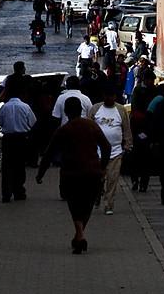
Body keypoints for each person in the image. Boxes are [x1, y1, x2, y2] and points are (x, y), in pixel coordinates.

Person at [38, 96, 113, 255]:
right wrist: (102, 166)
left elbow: (49, 153)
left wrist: (40, 174)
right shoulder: (91, 125)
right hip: (92, 173)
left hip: (71, 174)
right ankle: (79, 235)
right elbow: (106, 146)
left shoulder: (64, 130)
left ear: (66, 111)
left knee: (74, 205)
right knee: (87, 205)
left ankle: (79, 234)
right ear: (81, 110)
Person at [92, 86, 132, 215]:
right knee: (98, 178)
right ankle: (97, 194)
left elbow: (126, 128)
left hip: (115, 152)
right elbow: (89, 126)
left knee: (112, 179)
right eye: (106, 96)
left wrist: (127, 144)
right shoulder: (95, 109)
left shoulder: (120, 110)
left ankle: (109, 204)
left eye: (111, 96)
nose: (109, 98)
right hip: (97, 152)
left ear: (115, 97)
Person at [0, 85, 37, 203]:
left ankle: (6, 193)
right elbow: (32, 122)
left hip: (8, 139)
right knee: (19, 166)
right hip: (21, 139)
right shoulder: (25, 107)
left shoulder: (4, 107)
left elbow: (0, 121)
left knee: (7, 166)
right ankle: (19, 191)